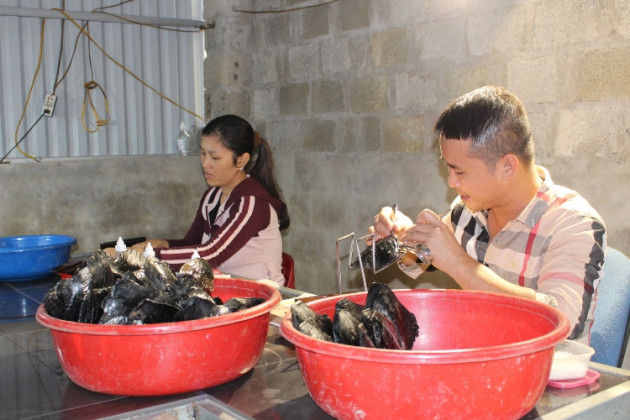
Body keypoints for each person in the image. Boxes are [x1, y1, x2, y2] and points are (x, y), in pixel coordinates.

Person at [370, 86, 606, 344]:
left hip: (545, 378)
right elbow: (419, 262)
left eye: (459, 173)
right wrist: (400, 237)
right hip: (482, 363)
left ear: (507, 166)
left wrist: (462, 266)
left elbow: (562, 324)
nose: (451, 182)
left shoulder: (573, 224)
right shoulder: (469, 213)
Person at [114, 114, 290, 286]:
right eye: (203, 153)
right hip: (226, 291)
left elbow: (212, 253)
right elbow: (192, 243)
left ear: (242, 160)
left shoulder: (252, 203)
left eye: (215, 157)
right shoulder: (211, 197)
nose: (205, 163)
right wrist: (161, 244)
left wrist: (148, 256)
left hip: (264, 298)